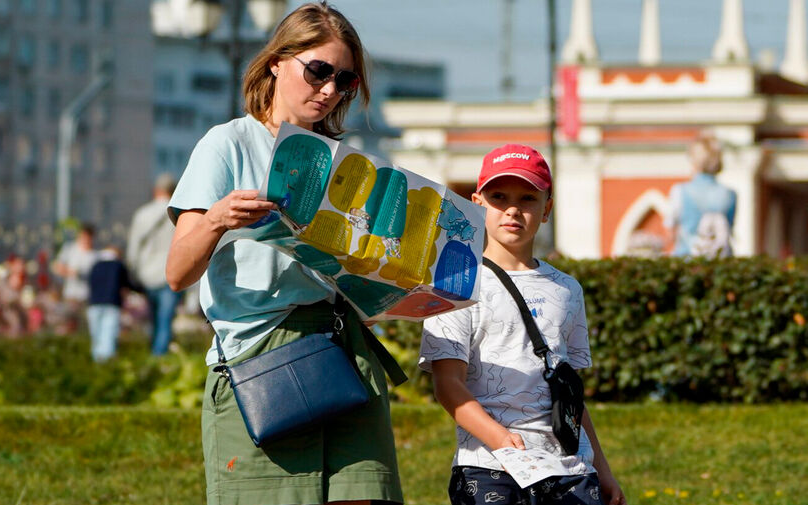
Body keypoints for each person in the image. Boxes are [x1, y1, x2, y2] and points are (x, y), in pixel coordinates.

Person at [164, 3, 402, 505]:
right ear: (277, 60)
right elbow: (177, 272)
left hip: (346, 350)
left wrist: (395, 282)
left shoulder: (348, 162)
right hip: (263, 357)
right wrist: (216, 219)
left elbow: (368, 282)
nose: (329, 90)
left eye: (345, 81)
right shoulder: (227, 144)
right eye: (318, 71)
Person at [418, 144, 625, 505]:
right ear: (477, 203)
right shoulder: (455, 284)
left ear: (547, 209)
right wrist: (498, 438)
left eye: (528, 198)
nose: (513, 209)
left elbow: (570, 395)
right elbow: (448, 384)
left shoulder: (567, 289)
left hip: (570, 471)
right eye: (499, 196)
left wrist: (603, 471)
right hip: (488, 468)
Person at [127, 172, 182, 355]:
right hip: (170, 274)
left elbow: (133, 248)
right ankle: (159, 358)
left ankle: (153, 355)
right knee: (165, 320)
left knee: (153, 320)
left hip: (147, 275)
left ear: (155, 190)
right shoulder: (178, 213)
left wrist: (133, 272)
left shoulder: (142, 214)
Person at [665, 133, 737, 257]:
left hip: (687, 262)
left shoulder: (680, 191)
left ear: (694, 161)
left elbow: (670, 232)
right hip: (722, 264)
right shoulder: (730, 194)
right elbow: (729, 230)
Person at [86, 246, 135, 362]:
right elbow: (127, 284)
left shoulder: (95, 265)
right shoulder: (118, 265)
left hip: (94, 304)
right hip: (112, 304)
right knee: (108, 336)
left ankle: (97, 363)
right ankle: (107, 365)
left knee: (97, 337)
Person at [53, 223, 99, 305]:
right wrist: (72, 272)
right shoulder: (70, 249)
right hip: (70, 296)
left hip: (86, 298)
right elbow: (57, 267)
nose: (85, 240)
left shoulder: (95, 256)